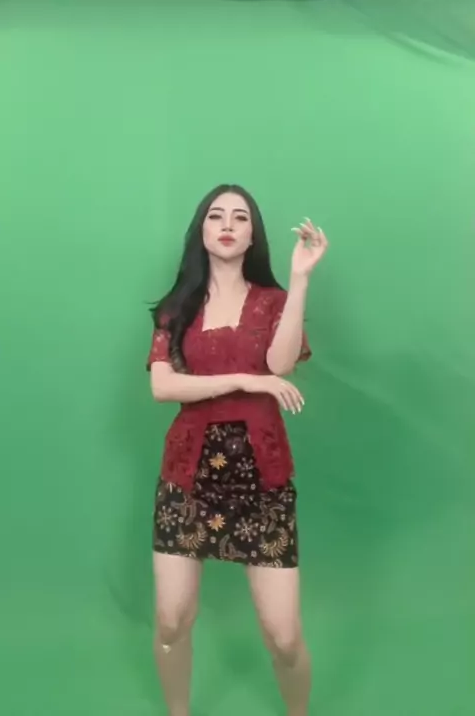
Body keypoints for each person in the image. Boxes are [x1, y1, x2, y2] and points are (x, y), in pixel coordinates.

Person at [146, 183, 328, 716]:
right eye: (216, 215)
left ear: (252, 236)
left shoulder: (273, 302)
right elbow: (163, 386)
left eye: (240, 217)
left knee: (284, 638)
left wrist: (300, 278)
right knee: (172, 622)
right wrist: (245, 382)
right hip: (187, 476)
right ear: (201, 231)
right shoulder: (176, 308)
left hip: (261, 477)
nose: (227, 224)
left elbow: (281, 365)